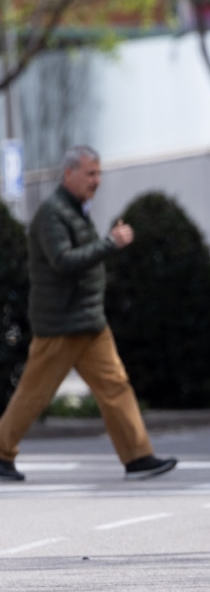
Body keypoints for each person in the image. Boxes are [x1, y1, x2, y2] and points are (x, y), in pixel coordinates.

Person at [0, 145, 177, 482]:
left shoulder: (74, 211)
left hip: (88, 321)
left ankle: (138, 457)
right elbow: (63, 261)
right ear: (69, 174)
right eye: (90, 173)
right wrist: (110, 243)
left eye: (99, 173)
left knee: (116, 386)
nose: (97, 180)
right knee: (34, 393)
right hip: (62, 325)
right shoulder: (53, 214)